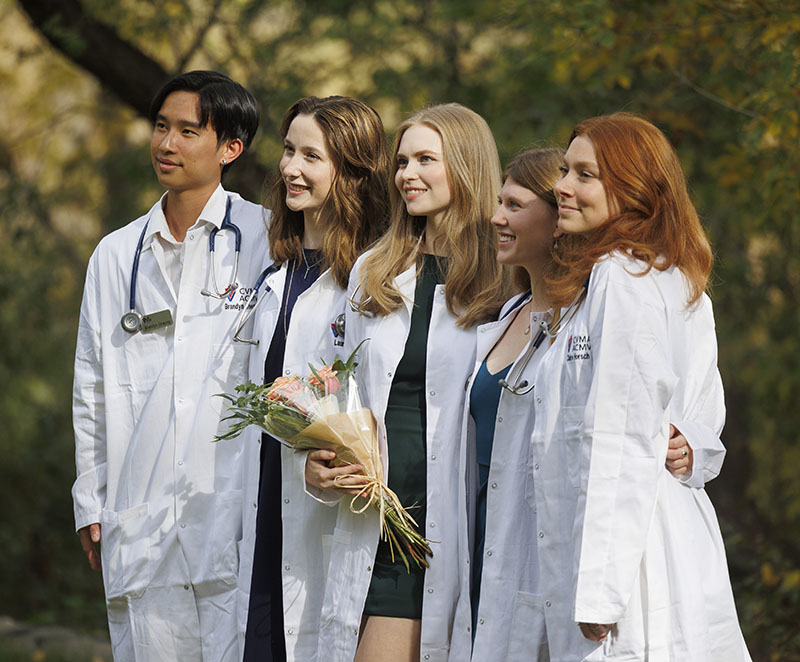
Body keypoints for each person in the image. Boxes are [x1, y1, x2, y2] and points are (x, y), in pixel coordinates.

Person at [448, 147, 731, 661]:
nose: (496, 217)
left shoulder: (629, 287)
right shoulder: (509, 314)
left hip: (577, 544)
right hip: (491, 532)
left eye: (514, 204)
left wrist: (691, 441)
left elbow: (671, 411)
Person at [529, 113, 749, 660]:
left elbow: (622, 436)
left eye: (585, 174)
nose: (562, 186)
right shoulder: (657, 274)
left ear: (632, 190)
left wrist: (600, 592)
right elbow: (691, 425)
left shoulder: (624, 279)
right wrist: (688, 443)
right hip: (650, 540)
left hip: (629, 562)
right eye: (565, 170)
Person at [72, 71, 267, 660]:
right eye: (162, 127)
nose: (167, 144)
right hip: (140, 514)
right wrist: (91, 496)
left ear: (230, 148)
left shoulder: (265, 239)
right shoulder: (115, 254)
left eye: (188, 131)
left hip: (230, 510)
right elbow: (92, 387)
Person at [305, 103, 508, 662]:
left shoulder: (507, 281)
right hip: (385, 525)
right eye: (401, 161)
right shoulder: (374, 271)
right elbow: (333, 388)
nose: (406, 174)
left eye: (425, 159)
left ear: (466, 166)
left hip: (469, 525)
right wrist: (319, 459)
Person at [235, 96, 390, 662]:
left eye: (311, 156)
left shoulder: (375, 278)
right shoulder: (274, 270)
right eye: (288, 150)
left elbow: (378, 406)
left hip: (325, 511)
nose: (290, 168)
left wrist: (331, 464)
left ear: (350, 172)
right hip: (258, 505)